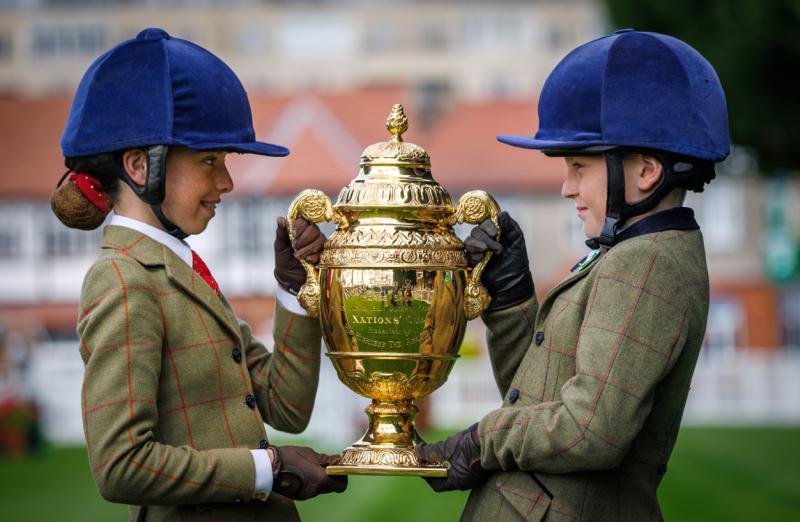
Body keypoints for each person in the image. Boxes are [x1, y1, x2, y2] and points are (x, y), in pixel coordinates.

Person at [415, 29, 729, 521]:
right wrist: (512, 300)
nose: (566, 187)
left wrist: (479, 442)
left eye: (580, 166)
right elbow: (538, 401)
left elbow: (589, 432)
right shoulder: (627, 252)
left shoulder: (645, 264)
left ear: (645, 172)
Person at [50, 28, 346, 521]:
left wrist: (294, 288)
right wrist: (267, 468)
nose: (227, 181)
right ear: (141, 167)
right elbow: (119, 466)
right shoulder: (122, 280)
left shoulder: (182, 269)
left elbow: (286, 406)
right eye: (209, 160)